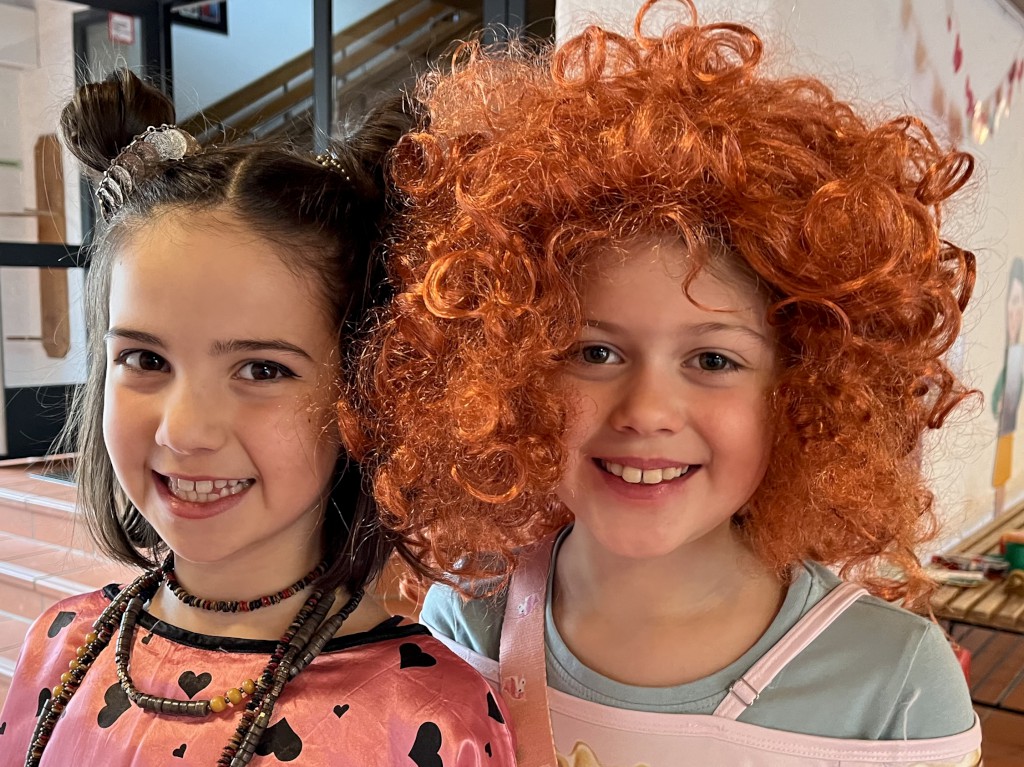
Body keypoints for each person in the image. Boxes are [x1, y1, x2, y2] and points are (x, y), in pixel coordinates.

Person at [357, 1, 984, 764]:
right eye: (594, 352)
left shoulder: (895, 687)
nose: (648, 410)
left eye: (712, 361)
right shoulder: (469, 618)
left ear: (801, 390)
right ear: (510, 370)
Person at [0, 69, 513, 767]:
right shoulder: (59, 645)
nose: (185, 430)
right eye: (146, 359)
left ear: (365, 390)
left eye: (262, 370)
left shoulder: (429, 718)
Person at [991, 257, 1024, 516]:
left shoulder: (1018, 354)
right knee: (999, 474)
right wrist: (997, 403)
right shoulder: (1009, 353)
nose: (1015, 311)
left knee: (1002, 473)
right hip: (1005, 425)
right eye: (1012, 302)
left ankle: (998, 512)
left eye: (1020, 303)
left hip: (1009, 430)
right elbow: (999, 392)